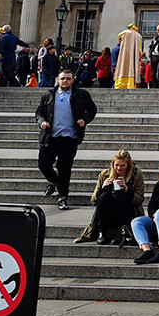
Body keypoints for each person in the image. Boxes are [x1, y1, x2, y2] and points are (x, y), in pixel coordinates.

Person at [35, 69, 98, 210]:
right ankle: (54, 181)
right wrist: (42, 122)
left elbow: (92, 110)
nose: (65, 81)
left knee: (64, 168)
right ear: (58, 79)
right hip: (50, 136)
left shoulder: (81, 95)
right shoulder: (49, 95)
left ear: (73, 80)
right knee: (43, 164)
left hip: (69, 137)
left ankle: (62, 196)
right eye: (63, 78)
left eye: (68, 78)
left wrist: (84, 120)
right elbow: (39, 112)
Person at [74, 149, 146, 246]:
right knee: (104, 196)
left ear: (128, 166)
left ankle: (123, 231)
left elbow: (139, 200)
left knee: (120, 195)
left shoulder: (136, 175)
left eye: (122, 166)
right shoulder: (105, 174)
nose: (119, 168)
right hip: (108, 211)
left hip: (127, 210)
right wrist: (103, 188)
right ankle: (102, 232)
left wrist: (127, 189)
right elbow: (93, 200)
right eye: (116, 165)